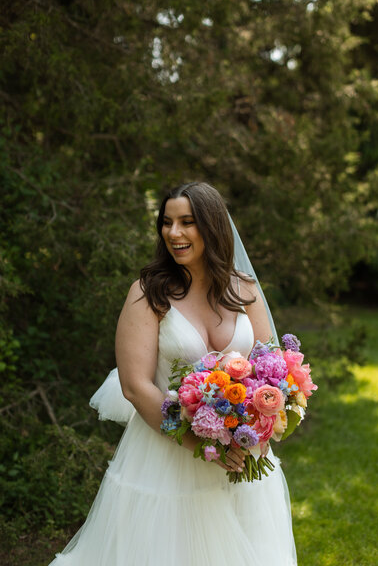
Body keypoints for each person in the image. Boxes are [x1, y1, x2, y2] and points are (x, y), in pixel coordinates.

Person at [49, 182, 297, 566]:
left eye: (187, 222)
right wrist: (203, 446)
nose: (174, 233)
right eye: (167, 222)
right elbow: (135, 387)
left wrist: (259, 428)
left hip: (243, 458)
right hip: (167, 458)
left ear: (212, 227)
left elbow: (272, 368)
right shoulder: (148, 294)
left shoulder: (244, 289)